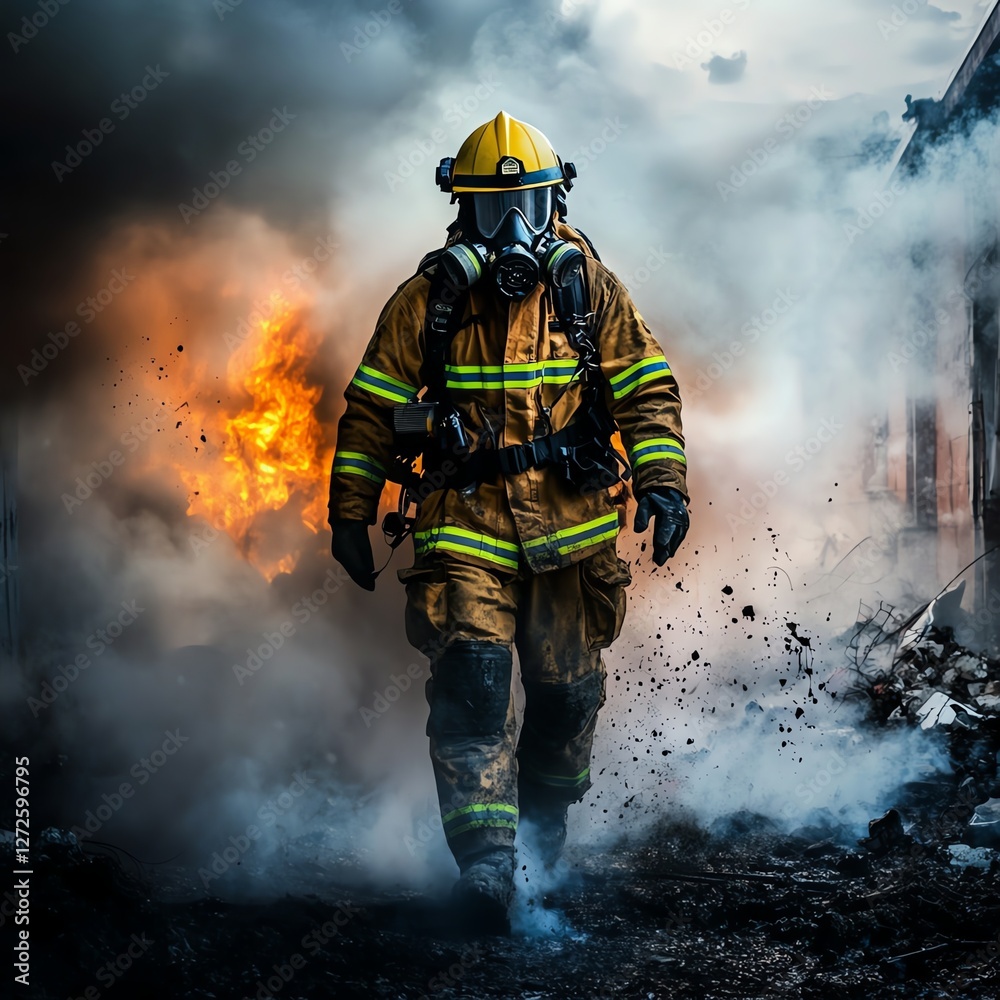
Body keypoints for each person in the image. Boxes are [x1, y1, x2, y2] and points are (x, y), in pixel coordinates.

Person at [328, 111, 689, 932]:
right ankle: (488, 870)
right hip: (465, 531)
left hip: (572, 536)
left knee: (566, 701)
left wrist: (665, 483)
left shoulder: (587, 289)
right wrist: (351, 511)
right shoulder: (430, 300)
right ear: (461, 213)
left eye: (528, 206)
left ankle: (545, 837)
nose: (514, 232)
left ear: (556, 202)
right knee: (474, 695)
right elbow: (372, 411)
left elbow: (646, 387)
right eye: (494, 213)